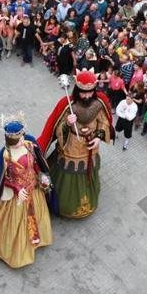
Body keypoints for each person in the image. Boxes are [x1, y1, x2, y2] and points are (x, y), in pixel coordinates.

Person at [0, 115, 54, 267]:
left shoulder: (29, 145)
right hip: (17, 196)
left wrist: (41, 176)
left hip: (33, 188)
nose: (21, 142)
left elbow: (35, 164)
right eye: (17, 141)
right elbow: (3, 178)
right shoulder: (6, 156)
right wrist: (17, 188)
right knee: (17, 222)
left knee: (36, 215)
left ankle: (36, 238)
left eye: (21, 138)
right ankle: (15, 251)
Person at [37, 69, 113, 218]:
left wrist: (98, 136)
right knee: (67, 175)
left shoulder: (99, 103)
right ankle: (64, 206)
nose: (87, 96)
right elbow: (56, 129)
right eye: (84, 92)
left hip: (90, 147)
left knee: (87, 171)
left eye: (90, 92)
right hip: (71, 147)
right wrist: (67, 123)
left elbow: (104, 122)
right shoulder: (67, 105)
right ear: (77, 90)